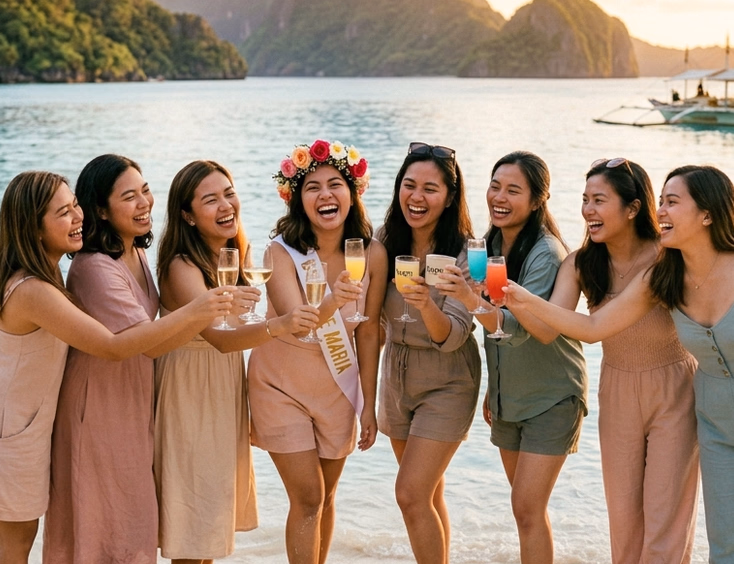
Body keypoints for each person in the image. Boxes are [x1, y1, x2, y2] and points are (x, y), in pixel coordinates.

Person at [503, 164, 734, 564]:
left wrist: (515, 296)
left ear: (631, 208)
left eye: (599, 200)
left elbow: (591, 327)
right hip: (634, 395)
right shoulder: (616, 266)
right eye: (584, 200)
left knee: (667, 528)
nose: (588, 209)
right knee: (634, 527)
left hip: (676, 391)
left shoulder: (667, 257)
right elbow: (578, 327)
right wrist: (507, 300)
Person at [0, 171, 231, 564]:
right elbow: (111, 346)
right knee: (15, 542)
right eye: (63, 213)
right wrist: (200, 309)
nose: (78, 218)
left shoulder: (49, 276)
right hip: (14, 432)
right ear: (33, 229)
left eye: (75, 206)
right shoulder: (34, 290)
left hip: (31, 426)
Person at [154, 159, 318, 564]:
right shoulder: (182, 265)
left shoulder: (230, 255)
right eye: (210, 200)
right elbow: (221, 340)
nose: (226, 205)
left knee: (210, 521)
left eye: (229, 193)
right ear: (187, 216)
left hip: (222, 390)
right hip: (191, 394)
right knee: (193, 525)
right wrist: (281, 325)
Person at [438, 151, 587, 564]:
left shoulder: (546, 253)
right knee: (524, 511)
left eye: (513, 190)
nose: (499, 197)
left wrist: (469, 299)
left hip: (552, 397)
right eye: (495, 185)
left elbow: (524, 328)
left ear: (538, 199)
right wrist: (494, 387)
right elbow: (495, 330)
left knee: (527, 508)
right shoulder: (486, 246)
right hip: (509, 398)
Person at [247, 139, 386, 564]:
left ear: (352, 193)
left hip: (337, 392)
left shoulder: (371, 253)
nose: (325, 194)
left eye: (334, 184)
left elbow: (368, 334)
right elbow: (297, 321)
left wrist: (368, 405)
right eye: (312, 187)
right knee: (307, 497)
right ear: (297, 200)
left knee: (325, 498)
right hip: (280, 388)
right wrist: (334, 299)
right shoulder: (280, 251)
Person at [378, 142, 481, 564]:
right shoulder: (384, 240)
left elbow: (455, 334)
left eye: (430, 189)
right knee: (428, 493)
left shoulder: (465, 251)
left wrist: (424, 304)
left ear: (451, 196)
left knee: (410, 493)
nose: (417, 198)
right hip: (397, 373)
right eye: (409, 185)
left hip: (449, 378)